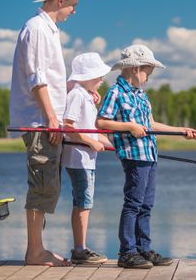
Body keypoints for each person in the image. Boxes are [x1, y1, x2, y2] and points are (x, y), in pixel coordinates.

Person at [9, 0, 91, 267]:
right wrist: (52, 119)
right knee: (42, 184)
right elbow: (37, 79)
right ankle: (35, 253)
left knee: (47, 186)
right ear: (60, 0)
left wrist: (80, 90)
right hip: (40, 122)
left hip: (46, 120)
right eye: (73, 3)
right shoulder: (37, 29)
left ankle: (37, 249)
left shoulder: (49, 30)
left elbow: (53, 82)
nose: (74, 10)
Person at [96, 44, 196, 269]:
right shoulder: (116, 92)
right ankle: (127, 252)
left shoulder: (142, 96)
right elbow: (101, 122)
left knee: (146, 205)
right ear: (135, 69)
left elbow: (151, 124)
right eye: (148, 73)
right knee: (133, 203)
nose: (149, 78)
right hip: (134, 156)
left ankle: (143, 248)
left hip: (150, 154)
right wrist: (129, 126)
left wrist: (181, 130)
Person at [61, 53, 112, 264]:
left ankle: (81, 247)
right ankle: (79, 250)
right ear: (87, 76)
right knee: (83, 202)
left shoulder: (88, 97)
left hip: (87, 159)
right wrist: (91, 143)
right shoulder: (77, 95)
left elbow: (94, 132)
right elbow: (68, 127)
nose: (101, 80)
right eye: (98, 76)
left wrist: (118, 147)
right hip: (78, 159)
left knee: (85, 202)